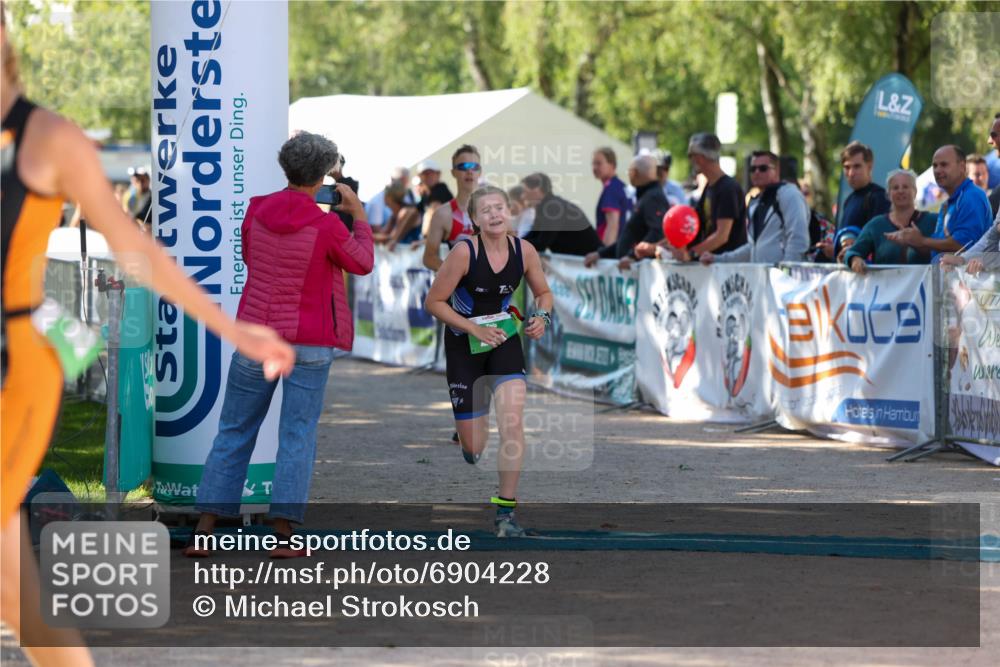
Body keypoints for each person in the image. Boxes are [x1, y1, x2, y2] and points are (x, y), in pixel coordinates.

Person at [0, 12, 294, 666]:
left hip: (14, 367)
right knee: (19, 599)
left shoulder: (49, 137)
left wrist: (231, 327)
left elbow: (137, 250)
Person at [186, 132, 373, 558]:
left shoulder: (255, 210)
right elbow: (362, 262)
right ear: (323, 175)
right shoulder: (326, 224)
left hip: (257, 334)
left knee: (234, 430)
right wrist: (358, 214)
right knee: (297, 435)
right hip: (309, 340)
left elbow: (253, 259)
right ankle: (284, 535)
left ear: (286, 168)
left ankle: (204, 531)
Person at [424, 185, 553, 537]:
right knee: (475, 446)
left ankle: (505, 514)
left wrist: (542, 316)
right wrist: (472, 329)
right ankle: (467, 442)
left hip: (503, 340)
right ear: (475, 220)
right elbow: (434, 302)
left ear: (509, 212)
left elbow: (543, 292)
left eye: (500, 208)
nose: (495, 215)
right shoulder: (464, 253)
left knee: (512, 422)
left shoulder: (523, 250)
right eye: (487, 211)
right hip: (463, 345)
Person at [700, 150, 810, 265]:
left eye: (763, 168)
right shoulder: (756, 202)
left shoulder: (789, 195)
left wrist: (786, 272)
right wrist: (718, 259)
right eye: (752, 169)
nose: (757, 172)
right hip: (760, 278)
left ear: (776, 171)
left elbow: (798, 238)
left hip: (782, 279)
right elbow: (753, 248)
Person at [886, 145, 992, 262]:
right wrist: (912, 240)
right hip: (947, 278)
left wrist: (922, 241)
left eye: (944, 165)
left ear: (962, 167)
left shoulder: (972, 196)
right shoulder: (947, 203)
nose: (937, 170)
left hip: (967, 279)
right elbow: (937, 249)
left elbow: (964, 245)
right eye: (935, 166)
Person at [659, 132, 745, 262]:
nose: (690, 160)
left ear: (700, 157)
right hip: (712, 267)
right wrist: (668, 247)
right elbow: (693, 225)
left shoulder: (728, 188)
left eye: (691, 155)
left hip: (726, 269)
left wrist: (692, 253)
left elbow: (722, 236)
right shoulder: (710, 186)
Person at [843, 169, 937, 274]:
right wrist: (855, 259)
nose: (900, 191)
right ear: (888, 194)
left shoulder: (933, 221)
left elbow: (948, 252)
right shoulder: (876, 225)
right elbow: (853, 251)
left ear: (915, 191)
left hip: (926, 289)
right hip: (885, 289)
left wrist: (920, 242)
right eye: (895, 188)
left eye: (905, 186)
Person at [584, 154, 668, 270]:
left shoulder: (653, 197)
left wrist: (633, 256)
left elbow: (658, 232)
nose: (628, 174)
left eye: (630, 171)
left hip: (642, 274)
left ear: (636, 173)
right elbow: (629, 236)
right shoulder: (645, 197)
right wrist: (601, 254)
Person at [423, 144, 481, 272]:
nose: (470, 171)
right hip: (462, 290)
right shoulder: (443, 213)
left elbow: (513, 249)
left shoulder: (495, 210)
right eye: (463, 166)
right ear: (453, 172)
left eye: (474, 167)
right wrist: (455, 273)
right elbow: (429, 257)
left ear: (480, 172)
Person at [522, 172, 602, 256]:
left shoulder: (553, 207)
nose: (523, 196)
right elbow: (533, 235)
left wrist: (514, 244)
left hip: (592, 262)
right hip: (583, 261)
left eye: (524, 191)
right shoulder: (547, 206)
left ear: (536, 190)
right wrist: (513, 242)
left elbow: (542, 243)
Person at [836, 141, 891, 236]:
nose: (851, 173)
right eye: (847, 167)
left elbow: (877, 238)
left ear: (869, 167)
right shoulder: (849, 199)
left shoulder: (879, 197)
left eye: (857, 166)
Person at [591, 147, 630, 245]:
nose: (595, 168)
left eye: (599, 163)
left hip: (615, 250)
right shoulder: (620, 186)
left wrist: (604, 254)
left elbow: (612, 226)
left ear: (612, 165)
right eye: (593, 163)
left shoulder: (611, 188)